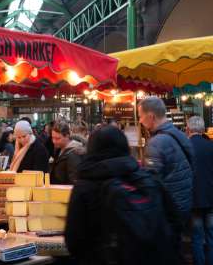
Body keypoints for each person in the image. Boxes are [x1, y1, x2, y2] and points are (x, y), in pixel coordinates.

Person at [65, 125, 177, 265]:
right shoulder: (147, 178)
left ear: (91, 149)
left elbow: (74, 241)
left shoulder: (84, 186)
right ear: (124, 146)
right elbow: (174, 220)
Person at [138, 96, 194, 259]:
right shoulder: (180, 135)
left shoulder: (156, 143)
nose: (140, 121)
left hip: (168, 210)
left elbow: (151, 182)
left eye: (141, 116)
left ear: (151, 117)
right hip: (183, 205)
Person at [186, 116, 213, 265]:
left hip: (194, 198)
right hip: (211, 197)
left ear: (188, 129)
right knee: (211, 235)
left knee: (196, 236)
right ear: (203, 129)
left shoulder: (185, 147)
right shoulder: (211, 146)